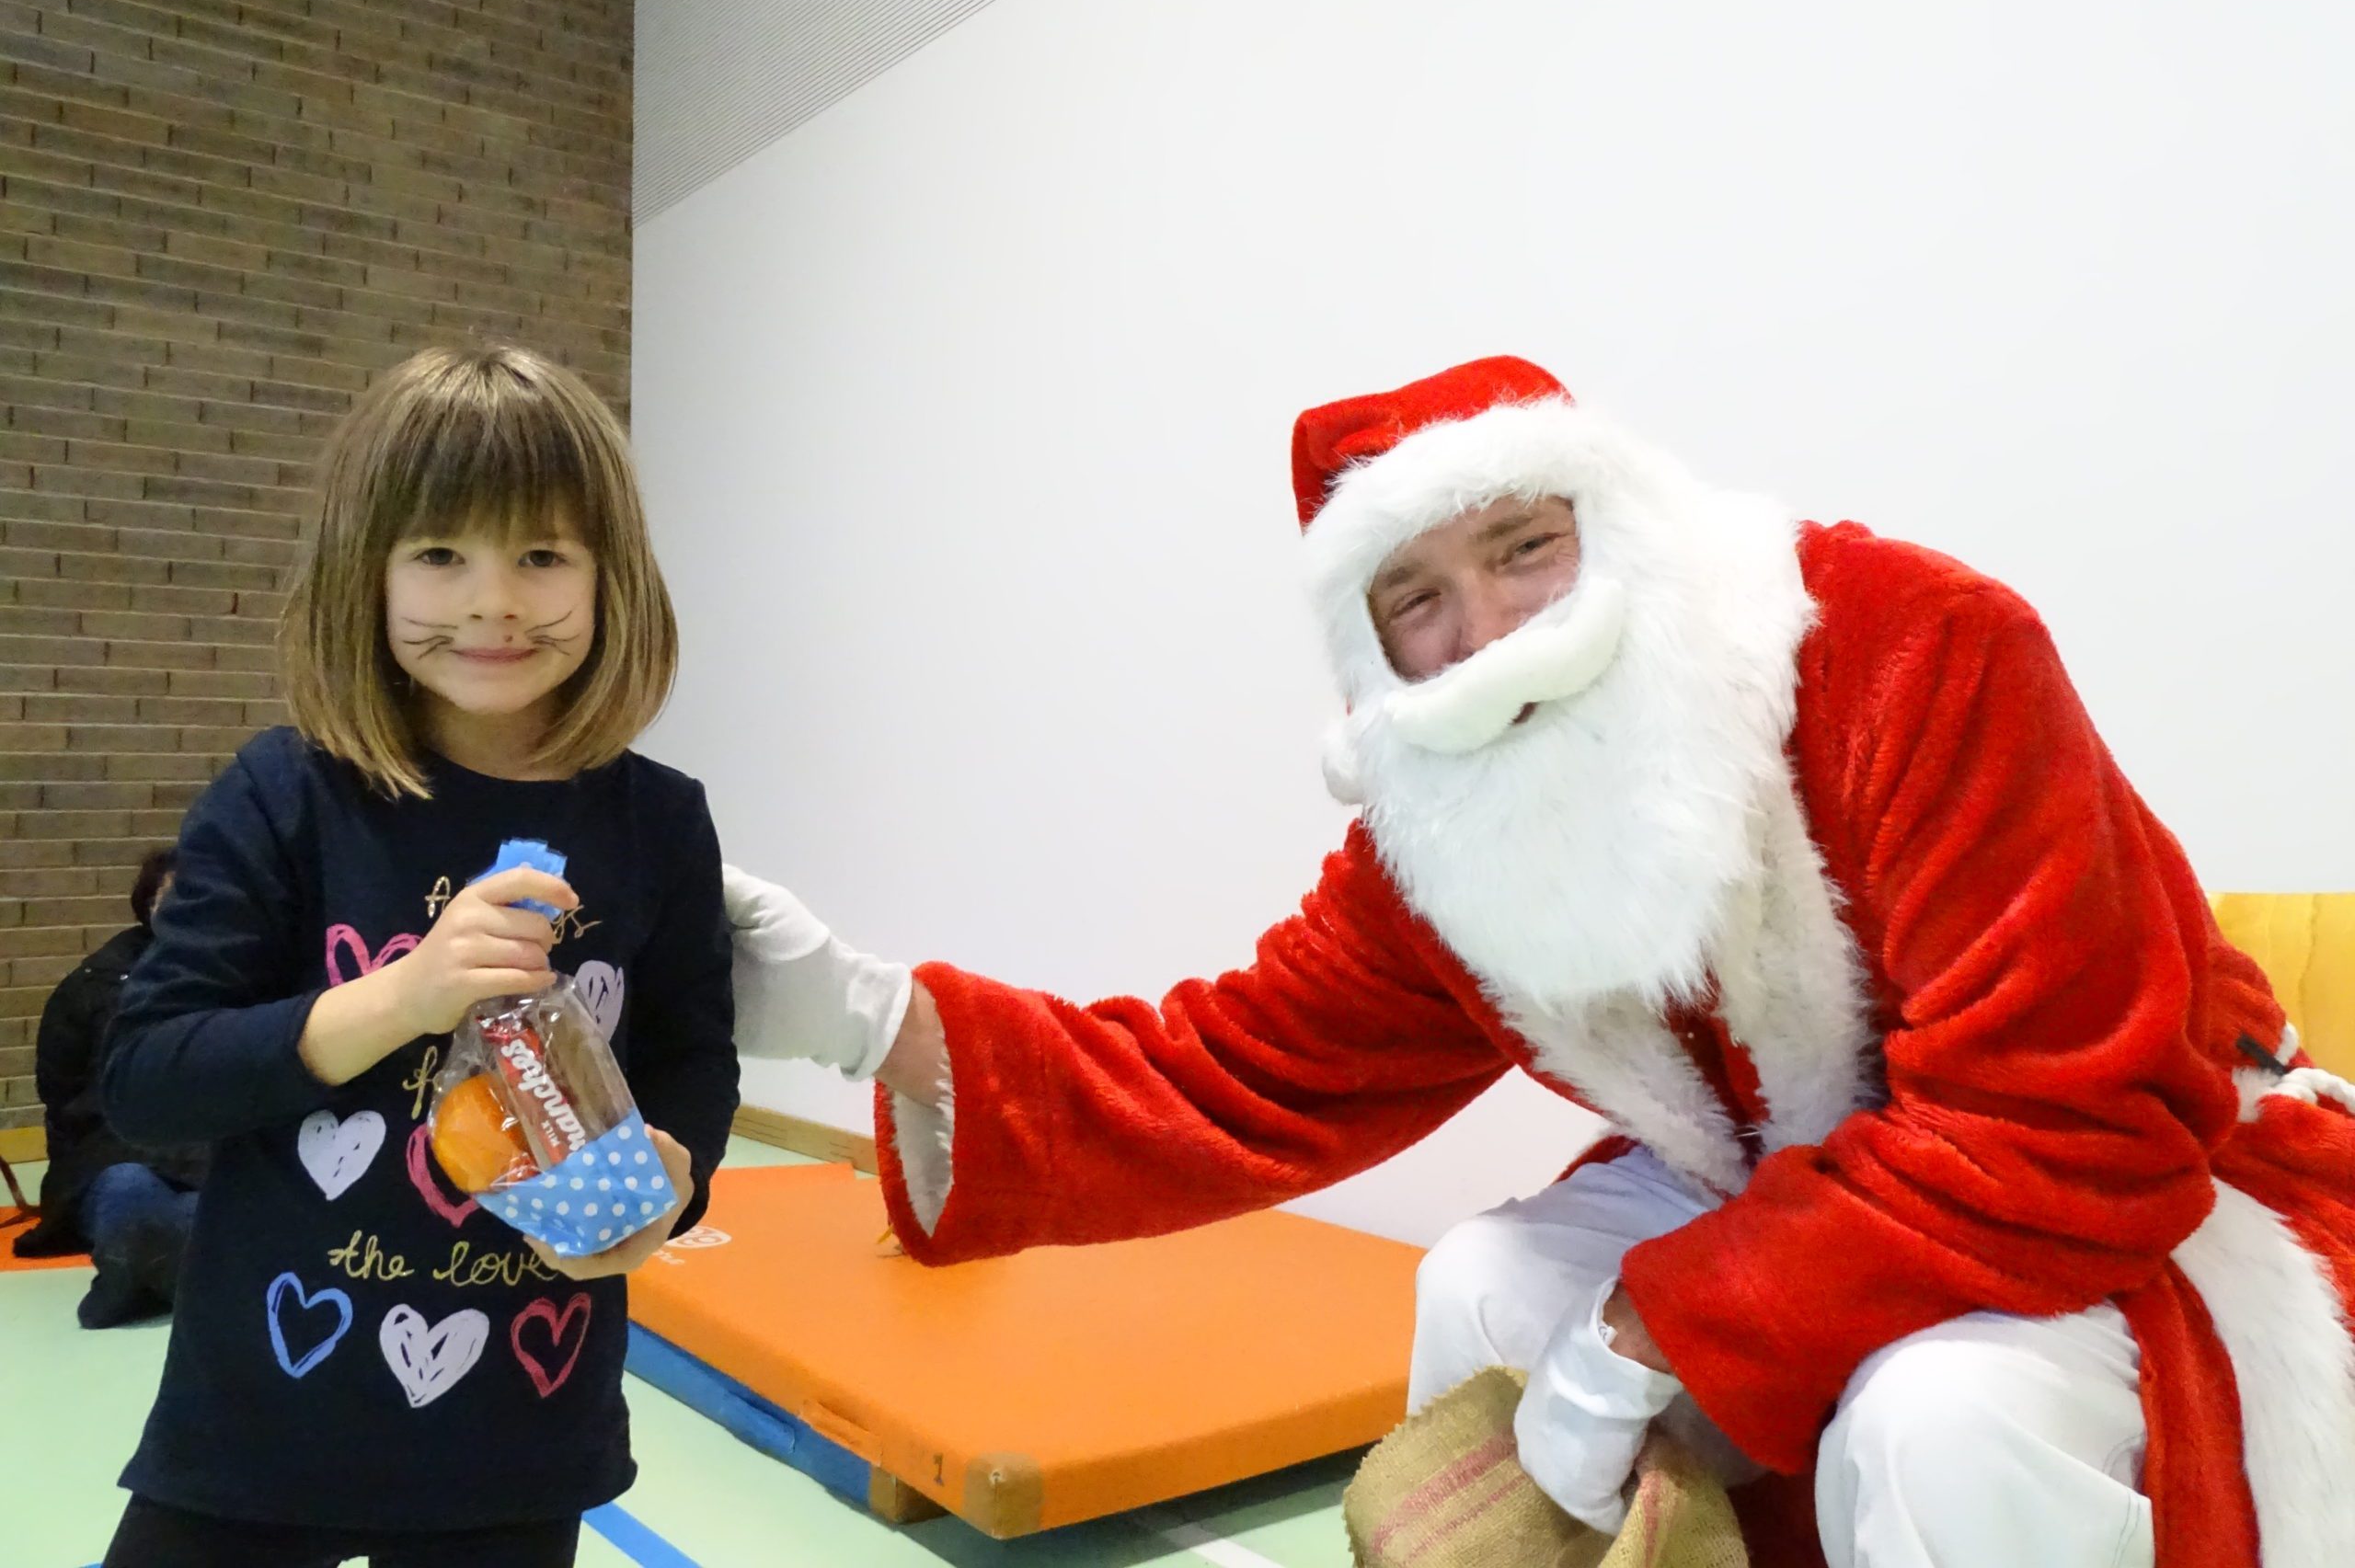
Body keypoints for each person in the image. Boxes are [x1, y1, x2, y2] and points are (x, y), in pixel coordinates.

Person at [723, 356, 2355, 1568]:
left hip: (2138, 1182)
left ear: (1621, 525)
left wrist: (1657, 1331)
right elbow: (1234, 1073)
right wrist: (872, 1020)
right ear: (1372, 656)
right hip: (1798, 1187)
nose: (1493, 636)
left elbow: (2074, 1120)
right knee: (1484, 1288)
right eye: (1418, 600)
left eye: (1524, 546)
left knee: (1944, 1421)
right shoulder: (1439, 836)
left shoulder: (1913, 646)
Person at [98, 343, 739, 1568]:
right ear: (368, 571)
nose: (494, 601)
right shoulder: (285, 794)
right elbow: (147, 1078)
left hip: (518, 1436)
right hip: (260, 1423)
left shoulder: (659, 821)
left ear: (611, 576)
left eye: (542, 556)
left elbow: (691, 1055)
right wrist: (405, 995)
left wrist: (672, 1180)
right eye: (441, 554)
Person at [17, 847, 211, 1327]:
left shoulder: (245, 978)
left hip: (212, 1158)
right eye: (174, 898)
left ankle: (151, 1277)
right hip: (116, 1159)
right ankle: (174, 1272)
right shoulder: (95, 985)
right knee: (133, 1199)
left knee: (236, 1207)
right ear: (149, 905)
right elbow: (64, 1098)